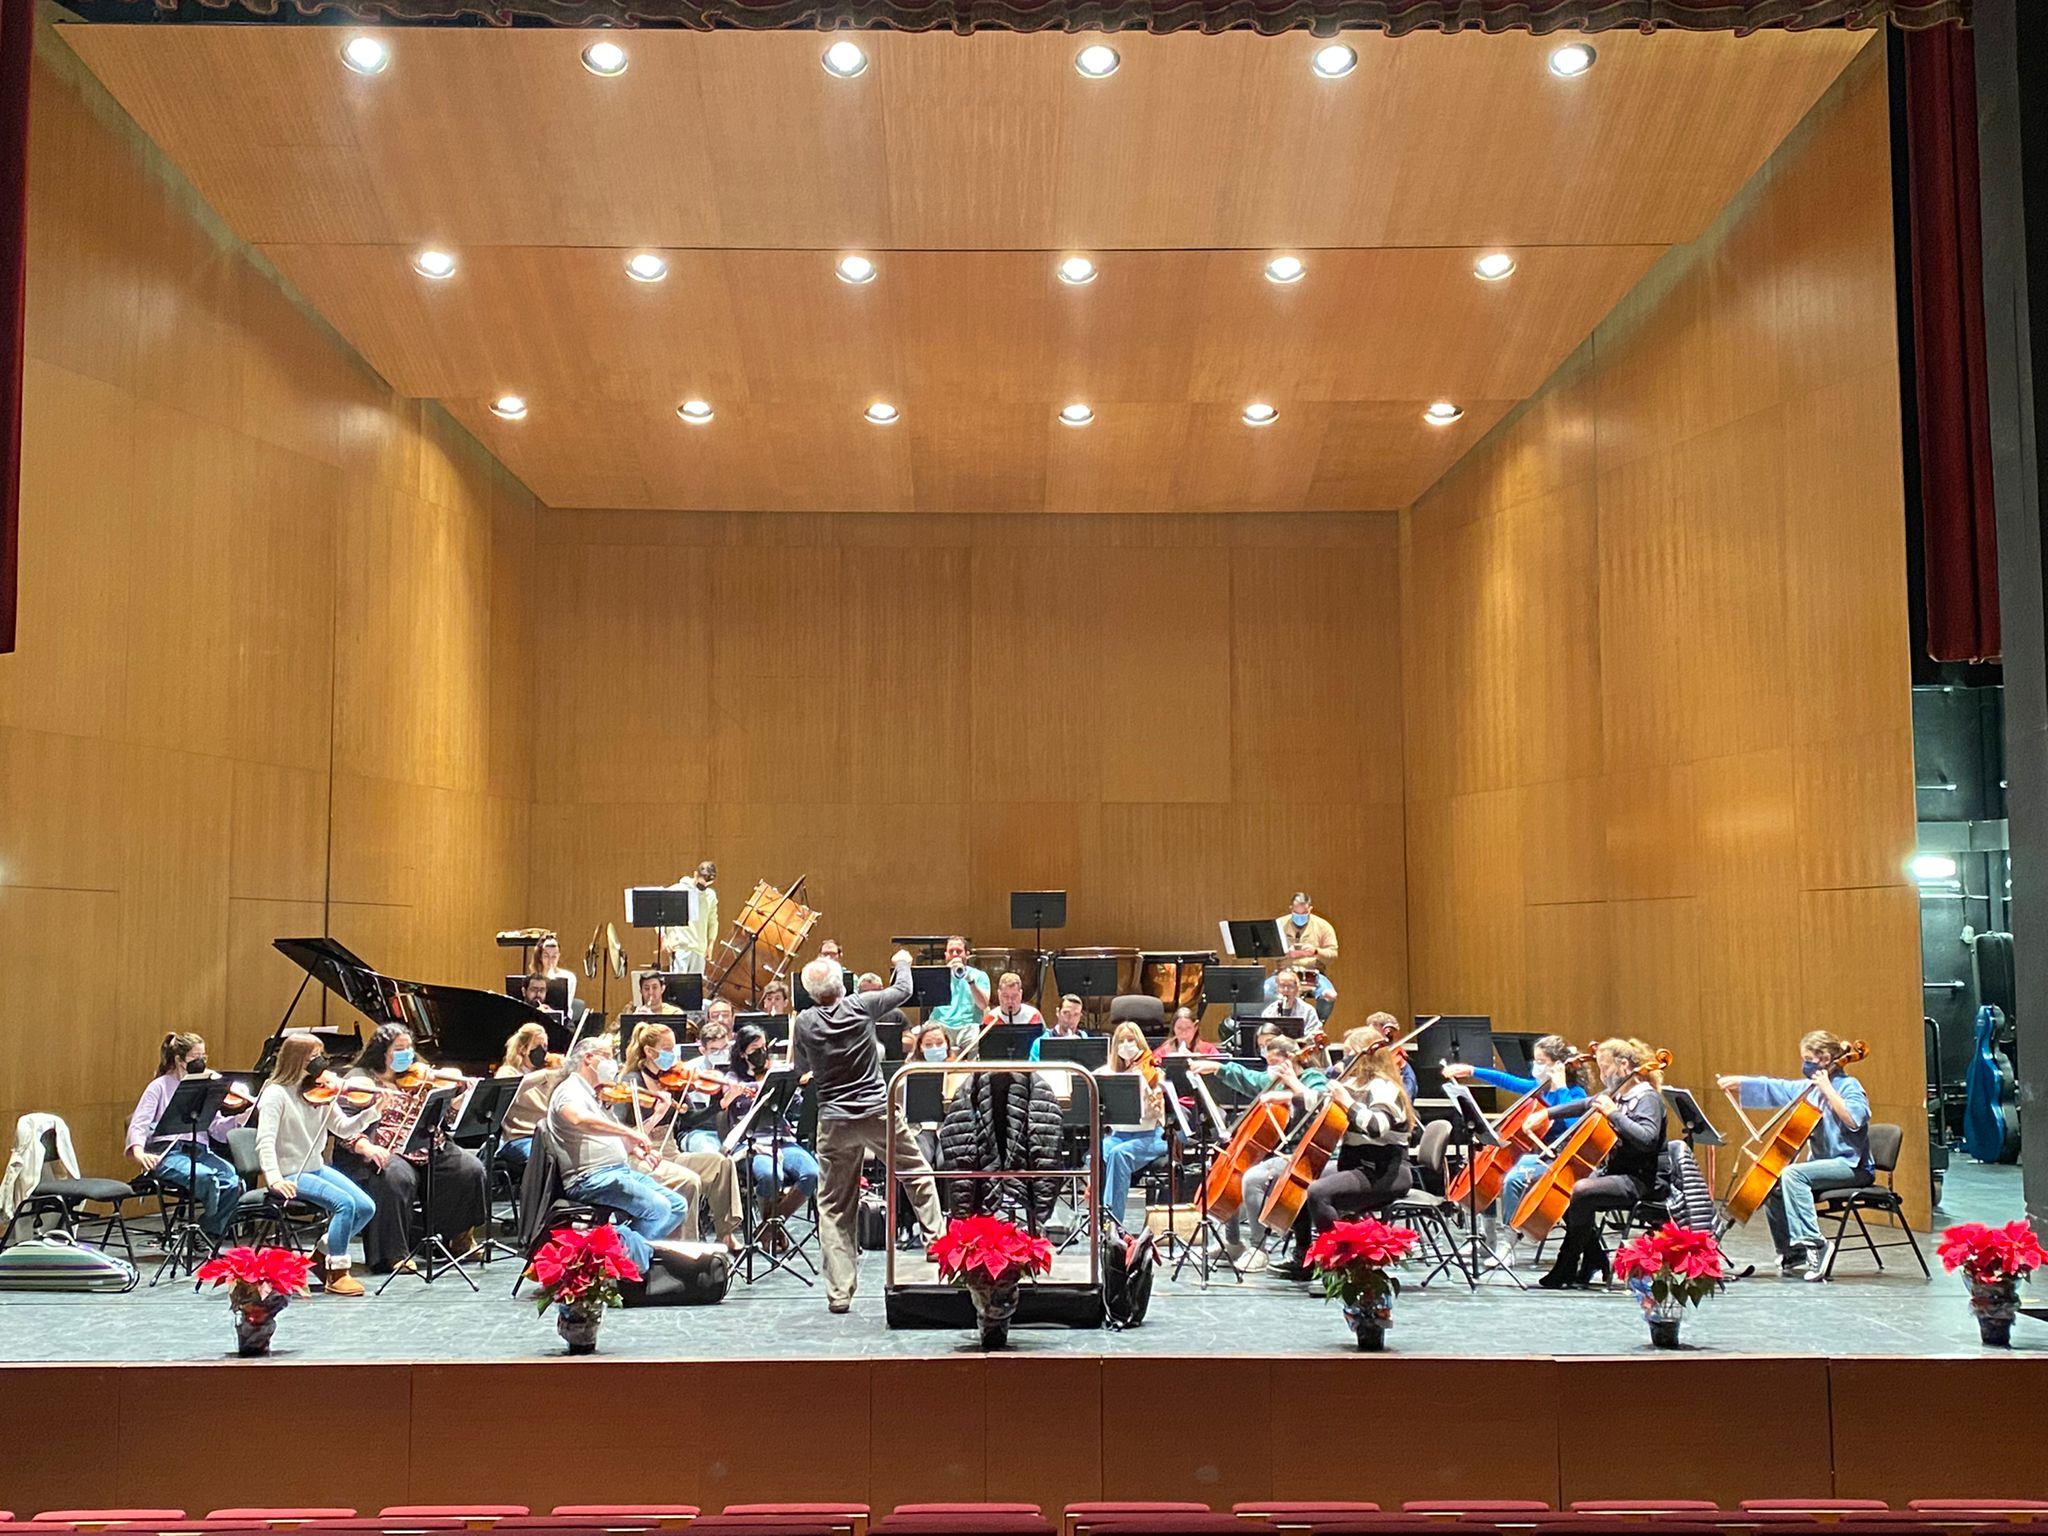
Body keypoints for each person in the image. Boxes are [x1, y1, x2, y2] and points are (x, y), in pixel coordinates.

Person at [792, 949, 948, 1313]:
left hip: (834, 1121)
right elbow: (904, 990)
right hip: (877, 1112)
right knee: (916, 1173)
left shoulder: (804, 1022)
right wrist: (902, 961)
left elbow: (801, 1068)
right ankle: (935, 1243)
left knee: (834, 1207)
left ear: (811, 993)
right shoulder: (859, 1006)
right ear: (842, 985)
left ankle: (839, 1292)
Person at [329, 1025, 490, 1275]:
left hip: (425, 1144)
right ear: (382, 1052)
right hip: (384, 1149)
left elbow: (444, 1119)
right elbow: (343, 1128)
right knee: (395, 1177)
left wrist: (458, 1101)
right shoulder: (362, 1081)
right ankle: (394, 1255)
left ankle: (459, 1239)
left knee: (470, 1169)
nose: (407, 1054)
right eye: (399, 1049)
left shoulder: (419, 1078)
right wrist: (367, 1147)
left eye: (409, 1048)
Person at [1717, 1031, 1872, 1282]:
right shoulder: (1808, 1089)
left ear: (1825, 1059)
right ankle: (1792, 1250)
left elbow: (1854, 1120)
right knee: (1773, 1182)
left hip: (1852, 1167)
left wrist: (1828, 1090)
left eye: (1809, 1059)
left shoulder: (1849, 1086)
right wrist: (1740, 1083)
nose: (1805, 1064)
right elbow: (1777, 1087)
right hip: (1823, 1166)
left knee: (1793, 1173)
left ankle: (1815, 1244)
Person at [1273, 1028, 1413, 1282]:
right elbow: (1318, 1103)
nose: (1344, 1059)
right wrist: (1294, 1085)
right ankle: (1304, 1258)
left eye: (1349, 1053)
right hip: (1357, 1165)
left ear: (1366, 1057)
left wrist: (1346, 1101)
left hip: (1385, 1171)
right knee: (1301, 1179)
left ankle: (1338, 1266)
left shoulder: (1385, 1088)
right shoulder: (1353, 1084)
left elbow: (1376, 1127)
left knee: (1319, 1192)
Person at [1533, 1038, 1668, 1290]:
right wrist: (1546, 1113)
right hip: (1616, 1174)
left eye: (1605, 1068)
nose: (1602, 1075)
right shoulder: (1616, 1095)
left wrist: (1612, 1113)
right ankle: (1593, 1257)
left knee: (1582, 1191)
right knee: (1563, 1188)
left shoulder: (1646, 1098)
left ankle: (1568, 1262)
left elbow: (1647, 1139)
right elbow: (1584, 1104)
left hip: (1642, 1180)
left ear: (1624, 1065)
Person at [546, 1035, 687, 1274]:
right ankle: (624, 1256)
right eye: (608, 1056)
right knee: (659, 1208)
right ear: (588, 1058)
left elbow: (610, 1136)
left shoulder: (596, 1094)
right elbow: (578, 1119)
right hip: (589, 1178)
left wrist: (637, 1150)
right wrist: (628, 1131)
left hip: (617, 1171)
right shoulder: (569, 1090)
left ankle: (620, 1249)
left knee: (676, 1206)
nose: (613, 1064)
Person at [1442, 1033, 1586, 1262]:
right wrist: (1472, 1071)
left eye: (1541, 1062)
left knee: (1511, 1179)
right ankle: (1487, 1238)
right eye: (1535, 1061)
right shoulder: (1539, 1087)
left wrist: (1560, 1088)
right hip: (1534, 1154)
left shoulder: (1575, 1093)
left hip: (1556, 1159)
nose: (1536, 1067)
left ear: (1558, 1065)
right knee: (1486, 1174)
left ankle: (1508, 1243)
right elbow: (1508, 1081)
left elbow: (1573, 1126)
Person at [255, 1033, 379, 1297]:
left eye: (321, 1055)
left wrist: (373, 1111)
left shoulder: (320, 1091)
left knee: (366, 1207)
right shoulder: (276, 1094)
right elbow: (265, 1141)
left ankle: (321, 1255)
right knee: (344, 1204)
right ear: (297, 1060)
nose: (321, 1062)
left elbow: (343, 1129)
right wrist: (274, 1178)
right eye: (314, 1056)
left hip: (315, 1166)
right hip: (290, 1172)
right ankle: (337, 1272)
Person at [1192, 1034, 1328, 1270]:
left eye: (1274, 1062)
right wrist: (1217, 1067)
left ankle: (1258, 1248)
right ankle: (1232, 1242)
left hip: (1306, 1153)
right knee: (1232, 1174)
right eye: (1268, 1062)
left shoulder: (1312, 1078)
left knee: (1252, 1178)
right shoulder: (1273, 1079)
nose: (1269, 1069)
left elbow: (1321, 1100)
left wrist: (1288, 1094)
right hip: (1279, 1151)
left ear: (1291, 1059)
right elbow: (1249, 1078)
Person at [615, 1020, 744, 1249]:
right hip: (640, 1155)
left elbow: (690, 1119)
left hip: (670, 1150)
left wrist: (720, 1104)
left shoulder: (672, 1080)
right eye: (667, 1049)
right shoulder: (631, 1082)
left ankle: (725, 1233)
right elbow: (621, 1134)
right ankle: (686, 1245)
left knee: (722, 1163)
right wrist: (657, 1115)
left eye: (674, 1048)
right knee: (689, 1180)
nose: (673, 1055)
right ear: (649, 1052)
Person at [124, 1032, 250, 1244]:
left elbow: (217, 1129)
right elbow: (140, 1122)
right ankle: (204, 1232)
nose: (201, 1062)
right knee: (205, 1177)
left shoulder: (206, 1086)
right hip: (169, 1153)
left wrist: (239, 1119)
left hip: (200, 1151)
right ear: (179, 1060)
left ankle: (206, 1232)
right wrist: (138, 1151)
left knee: (233, 1182)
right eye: (195, 1057)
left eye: (203, 1056)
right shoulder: (159, 1086)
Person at [725, 1022, 821, 1230]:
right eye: (755, 1049)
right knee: (771, 1176)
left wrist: (801, 1087)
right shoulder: (733, 1078)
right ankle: (771, 1230)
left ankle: (768, 1229)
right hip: (751, 1143)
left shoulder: (777, 1075)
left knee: (812, 1173)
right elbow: (728, 1102)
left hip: (782, 1139)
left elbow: (797, 1107)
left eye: (764, 1048)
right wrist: (756, 1086)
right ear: (742, 1053)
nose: (761, 1053)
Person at [1097, 1022, 1167, 1227]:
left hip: (1151, 1136)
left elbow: (1157, 1112)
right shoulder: (1108, 1071)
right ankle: (1098, 1215)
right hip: (1119, 1135)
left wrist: (1150, 1091)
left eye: (1131, 1040)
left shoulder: (1152, 1072)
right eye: (1121, 1041)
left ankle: (1112, 1222)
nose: (1126, 1045)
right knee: (1096, 1153)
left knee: (1119, 1155)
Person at [1261, 894, 1339, 1012]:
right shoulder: (1279, 924)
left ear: (1310, 909)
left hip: (1313, 974)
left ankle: (1317, 1021)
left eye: (1304, 913)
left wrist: (1315, 951)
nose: (1300, 917)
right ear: (1291, 908)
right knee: (1264, 991)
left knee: (1330, 995)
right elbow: (1268, 951)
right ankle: (1273, 1019)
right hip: (1284, 973)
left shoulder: (1323, 926)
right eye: (1296, 913)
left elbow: (1333, 954)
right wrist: (1285, 952)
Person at [929, 936, 992, 1055]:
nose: (954, 955)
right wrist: (944, 974)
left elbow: (983, 1005)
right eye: (951, 951)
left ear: (967, 954)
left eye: (958, 951)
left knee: (976, 1042)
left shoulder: (979, 975)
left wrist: (971, 981)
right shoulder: (937, 975)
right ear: (945, 955)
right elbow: (929, 999)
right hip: (941, 1024)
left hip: (969, 1026)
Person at [662, 861, 719, 975]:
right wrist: (664, 938)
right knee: (679, 983)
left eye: (707, 885)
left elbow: (713, 922)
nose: (703, 887)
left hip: (699, 949)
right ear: (695, 875)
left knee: (695, 984)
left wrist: (710, 945)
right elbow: (659, 914)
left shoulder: (710, 896)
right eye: (701, 885)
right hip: (680, 946)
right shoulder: (677, 890)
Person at [980, 972, 1044, 1049]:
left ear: (1021, 994)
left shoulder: (1033, 1015)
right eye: (1005, 996)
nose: (1010, 1001)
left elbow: (1044, 1043)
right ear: (999, 994)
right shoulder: (991, 1018)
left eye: (1014, 996)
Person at [1028, 994, 1091, 1061]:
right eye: (1066, 1013)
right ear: (1058, 1012)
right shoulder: (1040, 1043)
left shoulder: (1085, 1040)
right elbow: (1034, 1067)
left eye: (1076, 1014)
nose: (1071, 1019)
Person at [1153, 1007, 1220, 1063]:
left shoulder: (1209, 1050)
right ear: (1173, 1028)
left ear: (1195, 1028)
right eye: (1179, 1028)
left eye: (1188, 1028)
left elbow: (1219, 1066)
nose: (1184, 1033)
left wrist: (1196, 1059)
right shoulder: (1162, 1052)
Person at [530, 933, 578, 1008]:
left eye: (554, 957)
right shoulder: (533, 979)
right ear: (540, 957)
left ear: (559, 956)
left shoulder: (569, 977)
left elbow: (566, 1006)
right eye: (546, 956)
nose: (550, 961)